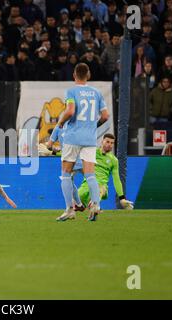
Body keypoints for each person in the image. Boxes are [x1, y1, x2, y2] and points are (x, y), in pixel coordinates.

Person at [56, 63, 109, 222]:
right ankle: (96, 206)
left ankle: (69, 210)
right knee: (90, 175)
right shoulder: (97, 93)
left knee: (66, 175)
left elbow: (70, 110)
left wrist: (60, 123)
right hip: (90, 139)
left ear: (74, 75)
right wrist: (93, 126)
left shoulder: (71, 91)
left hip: (73, 137)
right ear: (89, 75)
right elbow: (105, 116)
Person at [77, 133, 134, 210]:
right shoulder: (92, 153)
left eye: (112, 143)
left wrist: (122, 198)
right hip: (87, 185)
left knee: (100, 190)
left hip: (102, 186)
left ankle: (95, 204)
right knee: (76, 201)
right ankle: (92, 208)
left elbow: (116, 179)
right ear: (102, 141)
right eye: (107, 142)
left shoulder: (113, 160)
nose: (110, 144)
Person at [46, 124, 86, 213]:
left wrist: (54, 150)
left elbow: (49, 146)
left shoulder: (58, 127)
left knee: (66, 181)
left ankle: (70, 208)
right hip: (83, 158)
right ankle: (87, 205)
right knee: (91, 179)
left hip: (69, 160)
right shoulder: (79, 125)